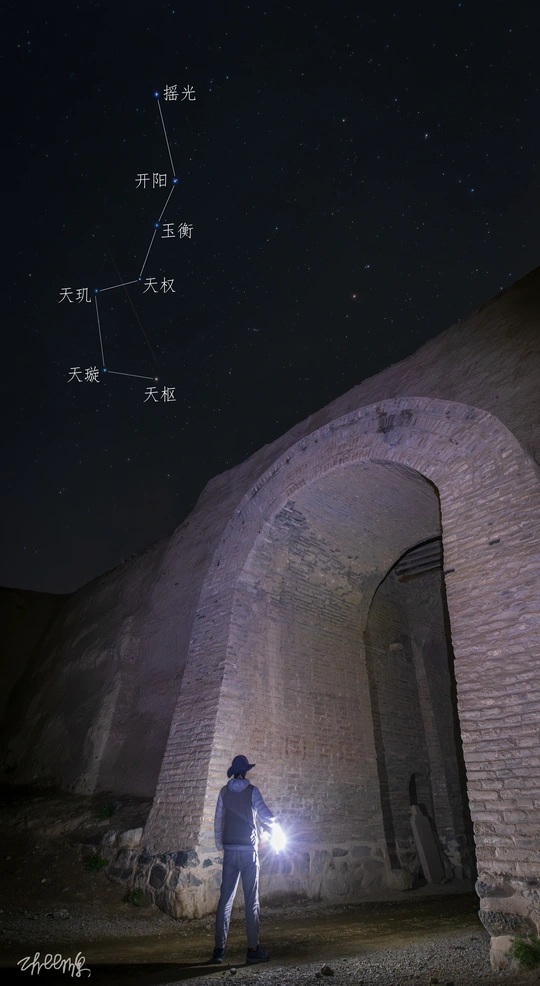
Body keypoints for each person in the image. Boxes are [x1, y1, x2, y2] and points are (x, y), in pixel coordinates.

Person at [209, 754, 276, 965]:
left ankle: (218, 951)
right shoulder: (252, 791)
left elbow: (218, 821)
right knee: (251, 902)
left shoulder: (223, 792)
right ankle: (253, 949)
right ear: (245, 772)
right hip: (248, 852)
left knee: (225, 901)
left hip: (230, 851)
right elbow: (265, 815)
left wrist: (220, 844)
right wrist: (277, 826)